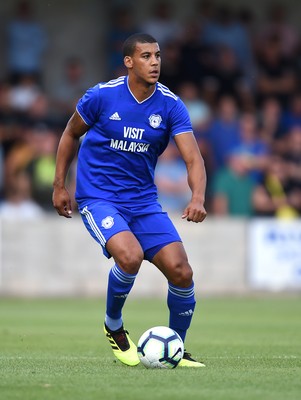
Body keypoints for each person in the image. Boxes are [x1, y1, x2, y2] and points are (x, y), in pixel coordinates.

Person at [52, 33, 207, 368]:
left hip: (143, 201)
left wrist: (197, 197)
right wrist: (59, 185)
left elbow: (193, 159)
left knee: (181, 271)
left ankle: (176, 350)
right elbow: (69, 134)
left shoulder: (170, 105)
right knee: (130, 255)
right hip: (99, 197)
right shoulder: (101, 96)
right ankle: (114, 326)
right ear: (129, 62)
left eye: (158, 56)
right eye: (146, 56)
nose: (154, 63)